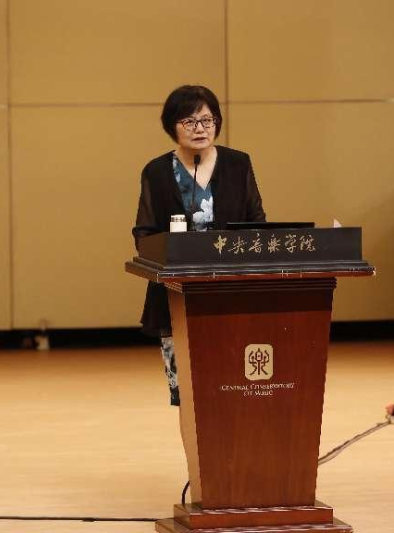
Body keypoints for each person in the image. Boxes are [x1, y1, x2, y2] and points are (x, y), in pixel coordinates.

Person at [133, 85, 266, 406]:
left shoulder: (238, 164)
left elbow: (257, 223)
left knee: (233, 389)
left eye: (207, 120)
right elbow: (144, 233)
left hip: (231, 291)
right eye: (189, 121)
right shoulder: (157, 172)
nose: (200, 129)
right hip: (176, 293)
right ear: (172, 126)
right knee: (187, 395)